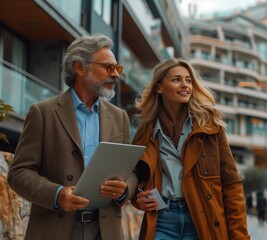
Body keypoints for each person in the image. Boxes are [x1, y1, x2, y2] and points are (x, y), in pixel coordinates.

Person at [7, 34, 138, 240]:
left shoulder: (119, 117)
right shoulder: (43, 112)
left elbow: (131, 172)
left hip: (105, 230)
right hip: (55, 228)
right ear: (80, 68)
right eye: (108, 67)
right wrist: (57, 194)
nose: (116, 75)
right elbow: (19, 173)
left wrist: (124, 190)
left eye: (117, 68)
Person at [132, 58, 250, 240]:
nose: (185, 85)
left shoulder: (210, 127)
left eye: (188, 80)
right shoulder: (146, 132)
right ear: (159, 87)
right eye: (176, 79)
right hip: (162, 221)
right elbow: (135, 177)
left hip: (202, 221)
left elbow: (231, 185)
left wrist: (240, 236)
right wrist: (138, 198)